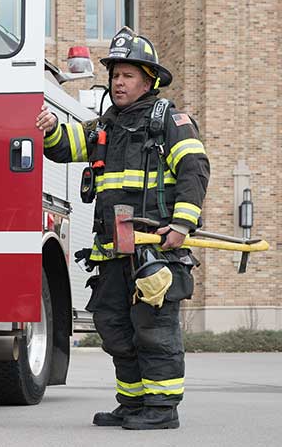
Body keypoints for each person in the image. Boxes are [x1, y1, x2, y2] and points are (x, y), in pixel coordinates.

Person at [36, 27, 209, 430]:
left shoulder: (171, 121)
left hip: (155, 249)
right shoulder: (105, 126)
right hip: (113, 251)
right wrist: (49, 129)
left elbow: (194, 171)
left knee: (154, 329)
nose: (118, 82)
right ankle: (132, 402)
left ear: (148, 80)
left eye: (127, 75)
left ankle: (162, 408)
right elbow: (67, 146)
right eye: (114, 75)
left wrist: (182, 223)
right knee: (113, 326)